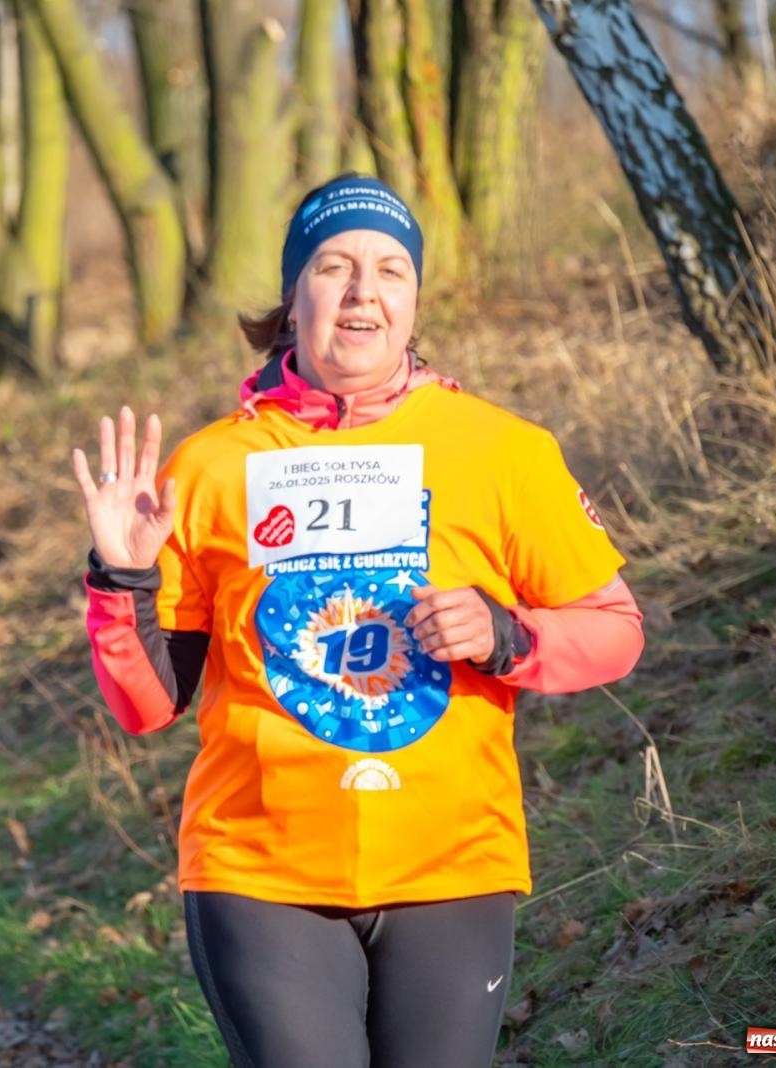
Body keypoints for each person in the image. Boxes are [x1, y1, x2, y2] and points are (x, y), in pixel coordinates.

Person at [72, 174, 645, 1067]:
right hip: (259, 870)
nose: (362, 291)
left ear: (414, 301)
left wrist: (507, 636)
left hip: (452, 867)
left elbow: (616, 629)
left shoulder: (502, 450)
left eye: (389, 270)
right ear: (292, 296)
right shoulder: (213, 466)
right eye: (333, 267)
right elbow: (149, 705)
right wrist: (122, 575)